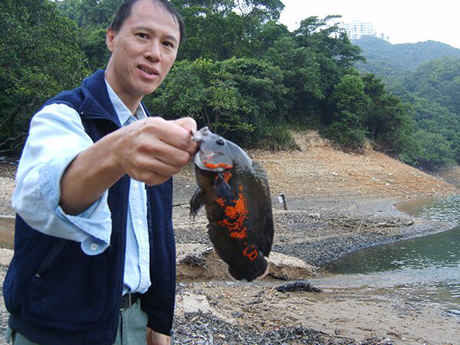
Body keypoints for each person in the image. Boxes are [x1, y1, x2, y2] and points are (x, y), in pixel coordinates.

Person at [3, 0, 196, 344]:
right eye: (142, 35)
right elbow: (42, 195)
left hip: (136, 323)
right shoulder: (62, 115)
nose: (155, 53)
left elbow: (157, 238)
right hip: (56, 330)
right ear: (110, 37)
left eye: (168, 44)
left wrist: (159, 321)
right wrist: (118, 152)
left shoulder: (153, 133)